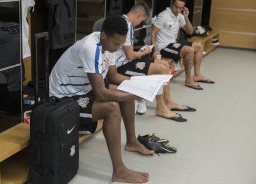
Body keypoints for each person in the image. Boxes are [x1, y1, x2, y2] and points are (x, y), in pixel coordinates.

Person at [49, 15, 154, 183]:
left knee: (126, 90)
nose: (118, 48)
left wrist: (140, 84)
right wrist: (133, 95)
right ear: (104, 34)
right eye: (116, 44)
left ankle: (132, 142)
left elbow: (112, 76)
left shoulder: (109, 46)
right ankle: (119, 171)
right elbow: (101, 93)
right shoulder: (90, 47)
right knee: (112, 108)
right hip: (62, 100)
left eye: (121, 44)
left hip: (82, 91)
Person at [115, 3, 195, 122]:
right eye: (142, 20)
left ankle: (168, 101)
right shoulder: (126, 25)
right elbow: (130, 55)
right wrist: (145, 52)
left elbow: (128, 52)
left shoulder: (124, 22)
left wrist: (141, 51)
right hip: (121, 65)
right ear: (139, 16)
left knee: (164, 64)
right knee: (160, 69)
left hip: (126, 60)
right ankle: (161, 108)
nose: (140, 23)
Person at [151, 0, 215, 90]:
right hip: (163, 46)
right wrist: (155, 49)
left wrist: (186, 17)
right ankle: (188, 80)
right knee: (189, 50)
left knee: (199, 46)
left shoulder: (180, 16)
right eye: (176, 7)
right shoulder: (163, 16)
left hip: (173, 43)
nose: (178, 10)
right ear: (171, 4)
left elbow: (190, 31)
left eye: (180, 8)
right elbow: (153, 32)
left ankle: (197, 75)